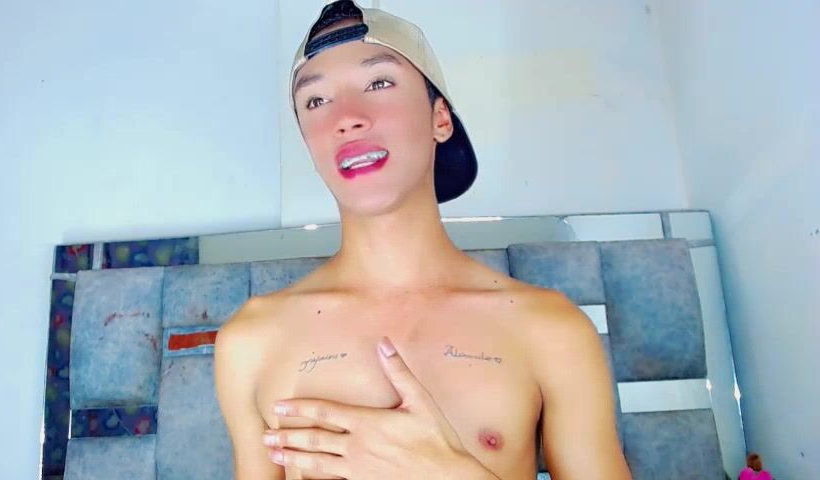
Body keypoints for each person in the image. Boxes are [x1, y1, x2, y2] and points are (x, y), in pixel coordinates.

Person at [214, 1, 630, 478]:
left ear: (440, 119)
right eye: (316, 100)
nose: (346, 117)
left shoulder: (550, 330)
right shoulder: (252, 340)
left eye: (379, 83)